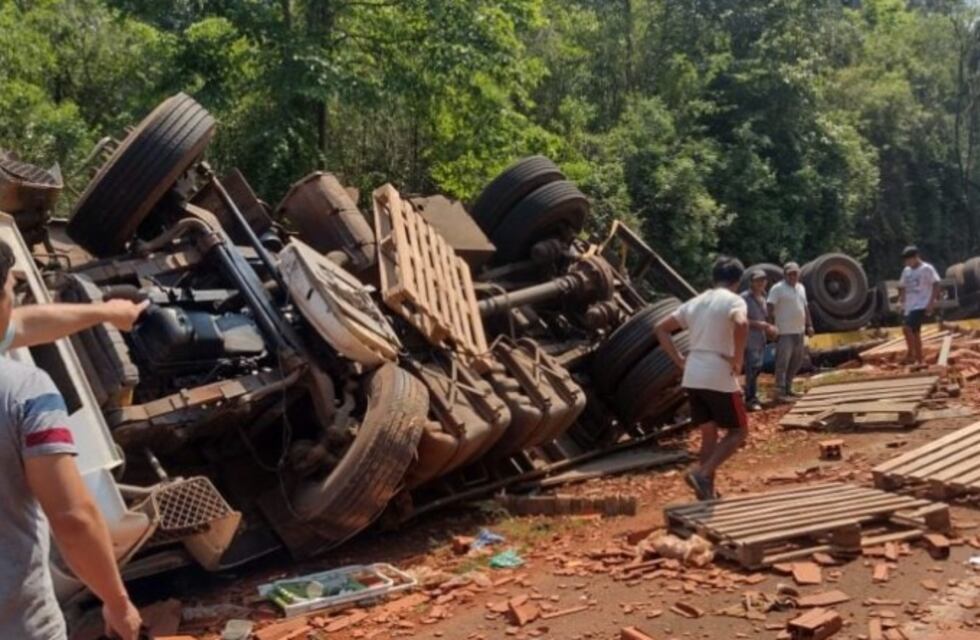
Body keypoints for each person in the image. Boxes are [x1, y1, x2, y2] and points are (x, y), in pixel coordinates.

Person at [0, 241, 148, 640]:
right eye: (12, 291)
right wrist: (117, 602)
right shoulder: (24, 390)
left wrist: (106, 313)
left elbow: (25, 326)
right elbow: (72, 519)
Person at [656, 256, 749, 501]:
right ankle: (702, 473)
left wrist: (678, 359)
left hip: (693, 373)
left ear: (714, 278)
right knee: (739, 432)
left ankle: (705, 491)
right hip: (717, 372)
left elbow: (660, 328)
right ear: (737, 282)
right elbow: (742, 323)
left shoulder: (695, 302)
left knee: (709, 433)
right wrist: (738, 359)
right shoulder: (735, 300)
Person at [767, 262, 813, 401]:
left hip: (799, 331)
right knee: (783, 362)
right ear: (785, 274)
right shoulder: (777, 288)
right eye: (790, 273)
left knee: (797, 361)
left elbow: (805, 307)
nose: (793, 276)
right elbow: (770, 307)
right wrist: (771, 326)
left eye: (795, 273)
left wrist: (809, 325)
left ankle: (788, 387)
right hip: (784, 331)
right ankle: (780, 391)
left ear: (799, 274)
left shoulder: (801, 288)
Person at [898, 245, 941, 366]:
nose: (907, 262)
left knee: (906, 328)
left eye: (909, 260)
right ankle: (920, 360)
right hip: (910, 305)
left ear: (916, 257)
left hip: (921, 304)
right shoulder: (906, 271)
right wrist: (901, 301)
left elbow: (936, 284)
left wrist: (931, 303)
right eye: (906, 260)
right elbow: (902, 287)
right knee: (916, 333)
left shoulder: (927, 268)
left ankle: (911, 353)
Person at [741, 270, 777, 411]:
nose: (761, 283)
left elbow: (766, 317)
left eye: (763, 280)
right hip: (748, 339)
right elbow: (740, 319)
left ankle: (752, 395)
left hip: (760, 339)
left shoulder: (764, 296)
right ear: (751, 282)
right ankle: (750, 400)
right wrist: (759, 324)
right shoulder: (744, 298)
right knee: (751, 368)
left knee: (756, 368)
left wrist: (770, 327)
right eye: (757, 280)